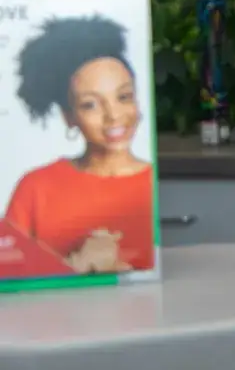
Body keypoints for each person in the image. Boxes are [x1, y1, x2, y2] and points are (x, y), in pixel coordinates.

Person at [3, 15, 153, 273]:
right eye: (90, 104)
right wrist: (73, 268)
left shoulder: (154, 184)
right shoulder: (36, 188)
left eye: (124, 96)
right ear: (69, 116)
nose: (113, 115)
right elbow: (9, 278)